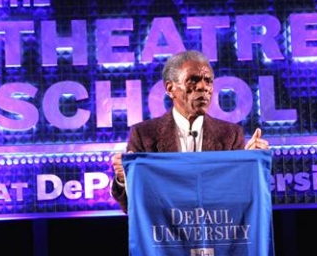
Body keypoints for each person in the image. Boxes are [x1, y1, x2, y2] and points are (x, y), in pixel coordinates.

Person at [110, 50, 269, 213]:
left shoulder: (230, 134)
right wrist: (124, 179)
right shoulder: (144, 134)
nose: (203, 87)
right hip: (165, 235)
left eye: (208, 81)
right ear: (170, 88)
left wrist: (250, 167)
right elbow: (132, 207)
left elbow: (239, 199)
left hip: (215, 234)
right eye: (193, 80)